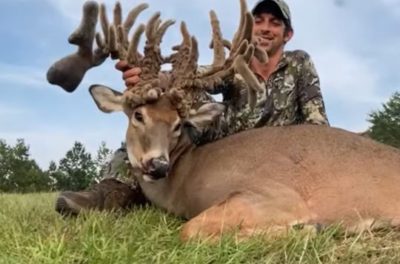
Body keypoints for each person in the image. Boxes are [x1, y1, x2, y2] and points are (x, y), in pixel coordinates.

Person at [55, 0, 329, 215]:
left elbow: (317, 120)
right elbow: (186, 79)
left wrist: (310, 162)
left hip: (281, 155)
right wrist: (147, 79)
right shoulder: (232, 68)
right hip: (226, 143)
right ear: (249, 29)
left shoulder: (299, 63)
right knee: (162, 104)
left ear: (287, 34)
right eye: (259, 21)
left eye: (275, 23)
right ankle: (109, 191)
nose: (266, 28)